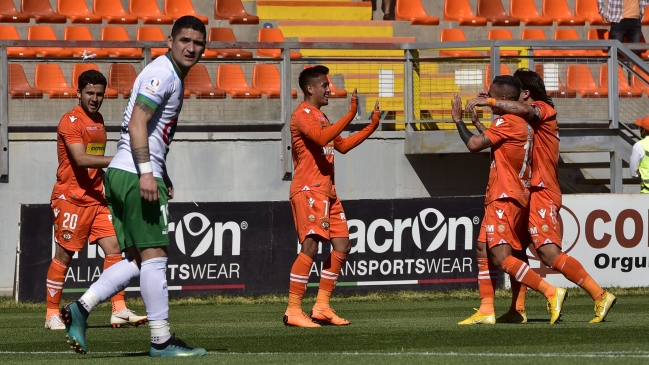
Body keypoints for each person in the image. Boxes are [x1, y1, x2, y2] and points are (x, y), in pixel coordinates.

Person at [61, 16, 207, 357]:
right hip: (135, 172)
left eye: (198, 43)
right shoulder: (164, 73)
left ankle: (81, 307)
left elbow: (152, 131)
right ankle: (161, 340)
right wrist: (147, 172)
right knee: (155, 256)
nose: (191, 47)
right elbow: (139, 121)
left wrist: (161, 172)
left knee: (137, 259)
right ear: (169, 40)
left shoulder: (167, 72)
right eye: (184, 40)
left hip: (126, 172)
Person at [465, 69, 617, 324]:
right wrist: (494, 101)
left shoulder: (542, 109)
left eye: (514, 97)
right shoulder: (518, 118)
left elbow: (523, 112)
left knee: (548, 254)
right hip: (528, 190)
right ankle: (517, 308)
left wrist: (492, 101)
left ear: (526, 94)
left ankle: (599, 295)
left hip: (542, 190)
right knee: (517, 250)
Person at [452, 75, 567, 325]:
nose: (486, 97)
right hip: (505, 193)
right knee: (482, 248)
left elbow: (473, 145)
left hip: (505, 195)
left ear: (503, 98)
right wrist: (481, 125)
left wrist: (458, 121)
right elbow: (501, 147)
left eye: (491, 94)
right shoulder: (515, 123)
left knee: (502, 257)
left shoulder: (508, 120)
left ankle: (550, 291)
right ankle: (486, 309)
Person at [46, 69, 147, 330]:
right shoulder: (70, 121)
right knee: (64, 256)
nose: (95, 98)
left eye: (100, 94)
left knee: (115, 247)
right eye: (89, 93)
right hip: (71, 199)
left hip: (96, 198)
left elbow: (94, 163)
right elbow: (80, 159)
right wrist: (121, 160)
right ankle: (51, 314)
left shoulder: (99, 120)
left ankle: (119, 309)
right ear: (78, 92)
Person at [284, 65, 380, 327]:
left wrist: (371, 126)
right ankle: (293, 310)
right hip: (309, 189)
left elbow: (342, 145)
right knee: (311, 246)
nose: (330, 89)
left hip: (328, 192)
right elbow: (322, 137)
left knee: (342, 246)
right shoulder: (301, 115)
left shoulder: (321, 117)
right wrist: (350, 113)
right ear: (310, 88)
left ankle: (322, 306)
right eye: (325, 85)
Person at [629, 116, 649, 191]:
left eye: (640, 128)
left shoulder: (639, 145)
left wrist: (637, 173)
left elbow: (633, 170)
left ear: (644, 130)